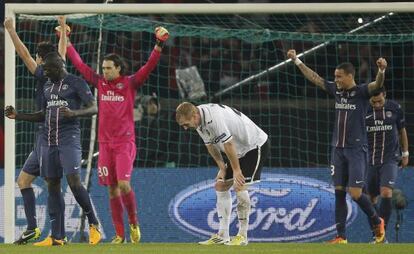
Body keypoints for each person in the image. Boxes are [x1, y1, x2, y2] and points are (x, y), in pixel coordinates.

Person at [64, 18, 169, 243]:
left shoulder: (130, 83)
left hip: (124, 144)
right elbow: (80, 65)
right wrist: (66, 39)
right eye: (103, 68)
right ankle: (119, 235)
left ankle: (133, 224)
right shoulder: (100, 83)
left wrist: (158, 45)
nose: (104, 71)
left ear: (119, 68)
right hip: (105, 145)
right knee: (111, 190)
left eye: (108, 68)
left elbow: (148, 67)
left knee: (123, 185)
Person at [287, 49, 386, 244]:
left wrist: (381, 71)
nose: (337, 80)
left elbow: (378, 84)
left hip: (356, 150)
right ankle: (341, 237)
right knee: (339, 192)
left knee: (356, 194)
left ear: (350, 76)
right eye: (335, 77)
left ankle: (377, 220)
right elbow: (315, 78)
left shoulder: (362, 92)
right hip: (337, 150)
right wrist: (296, 60)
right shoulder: (337, 91)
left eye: (339, 77)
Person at [5, 52, 102, 246]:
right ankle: (57, 236)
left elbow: (94, 108)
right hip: (49, 142)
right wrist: (19, 116)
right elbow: (44, 113)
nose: (46, 73)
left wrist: (74, 112)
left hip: (69, 140)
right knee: (53, 185)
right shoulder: (48, 86)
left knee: (74, 182)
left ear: (59, 67)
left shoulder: (76, 83)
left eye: (49, 69)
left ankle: (94, 224)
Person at [3, 16, 68, 244]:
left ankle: (58, 235)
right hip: (45, 133)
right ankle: (32, 228)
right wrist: (63, 29)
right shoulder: (59, 68)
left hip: (48, 134)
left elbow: (24, 54)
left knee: (53, 184)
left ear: (42, 60)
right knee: (23, 180)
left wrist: (11, 30)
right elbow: (62, 53)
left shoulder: (43, 73)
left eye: (39, 58)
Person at [176, 102, 270, 246]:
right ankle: (223, 235)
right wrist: (222, 167)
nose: (185, 128)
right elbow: (210, 146)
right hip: (238, 151)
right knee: (220, 185)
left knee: (239, 186)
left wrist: (237, 170)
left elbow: (228, 144)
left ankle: (242, 236)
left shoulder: (214, 118)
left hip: (254, 145)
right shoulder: (199, 122)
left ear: (194, 116)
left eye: (186, 124)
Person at [366, 87, 409, 241]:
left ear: (385, 95)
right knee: (370, 199)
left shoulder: (395, 108)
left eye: (380, 101)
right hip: (369, 160)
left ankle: (382, 234)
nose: (377, 104)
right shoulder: (362, 110)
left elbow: (402, 130)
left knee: (386, 192)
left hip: (390, 159)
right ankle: (377, 235)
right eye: (373, 101)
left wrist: (405, 153)